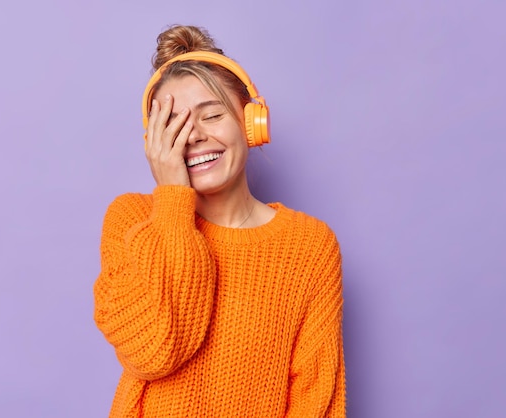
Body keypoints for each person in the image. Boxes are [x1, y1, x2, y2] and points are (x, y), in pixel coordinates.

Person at [93, 24, 345, 417]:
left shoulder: (309, 246)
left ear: (251, 123)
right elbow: (153, 351)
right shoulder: (132, 219)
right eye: (173, 126)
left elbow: (316, 399)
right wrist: (174, 200)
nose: (192, 137)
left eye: (211, 116)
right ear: (154, 142)